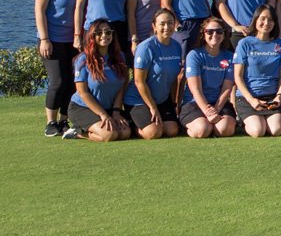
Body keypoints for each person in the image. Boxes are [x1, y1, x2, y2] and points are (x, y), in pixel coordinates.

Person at [35, 0, 84, 136]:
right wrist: (44, 38)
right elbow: (39, 10)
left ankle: (65, 120)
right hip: (53, 38)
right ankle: (51, 122)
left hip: (76, 38)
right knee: (58, 81)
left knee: (73, 80)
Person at [122, 8, 184, 140]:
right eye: (162, 24)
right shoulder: (146, 48)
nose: (167, 27)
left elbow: (173, 79)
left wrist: (173, 104)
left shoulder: (177, 47)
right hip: (138, 100)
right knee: (154, 133)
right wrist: (152, 107)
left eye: (170, 23)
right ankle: (132, 124)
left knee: (172, 130)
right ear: (154, 26)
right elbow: (139, 81)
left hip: (161, 99)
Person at [64, 20, 131, 142]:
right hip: (83, 108)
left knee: (125, 133)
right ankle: (79, 132)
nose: (104, 35)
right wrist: (103, 115)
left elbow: (121, 87)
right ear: (92, 36)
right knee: (109, 135)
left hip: (108, 108)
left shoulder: (120, 57)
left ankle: (91, 127)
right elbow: (83, 93)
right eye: (99, 33)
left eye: (108, 32)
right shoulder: (83, 59)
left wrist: (116, 111)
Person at [232, 4, 281, 138]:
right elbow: (237, 77)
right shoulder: (245, 43)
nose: (266, 23)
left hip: (271, 97)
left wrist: (279, 95)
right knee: (258, 131)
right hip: (248, 98)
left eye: (270, 20)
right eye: (262, 18)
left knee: (276, 130)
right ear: (255, 20)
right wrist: (252, 100)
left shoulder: (280, 45)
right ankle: (243, 119)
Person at [179, 17, 236, 139]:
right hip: (194, 103)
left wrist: (215, 109)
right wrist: (207, 111)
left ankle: (212, 124)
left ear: (224, 34)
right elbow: (195, 89)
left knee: (225, 129)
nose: (214, 34)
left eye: (219, 31)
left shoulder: (229, 56)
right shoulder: (194, 55)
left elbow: (227, 88)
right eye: (210, 31)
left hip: (218, 103)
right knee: (202, 130)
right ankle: (189, 127)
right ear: (203, 34)